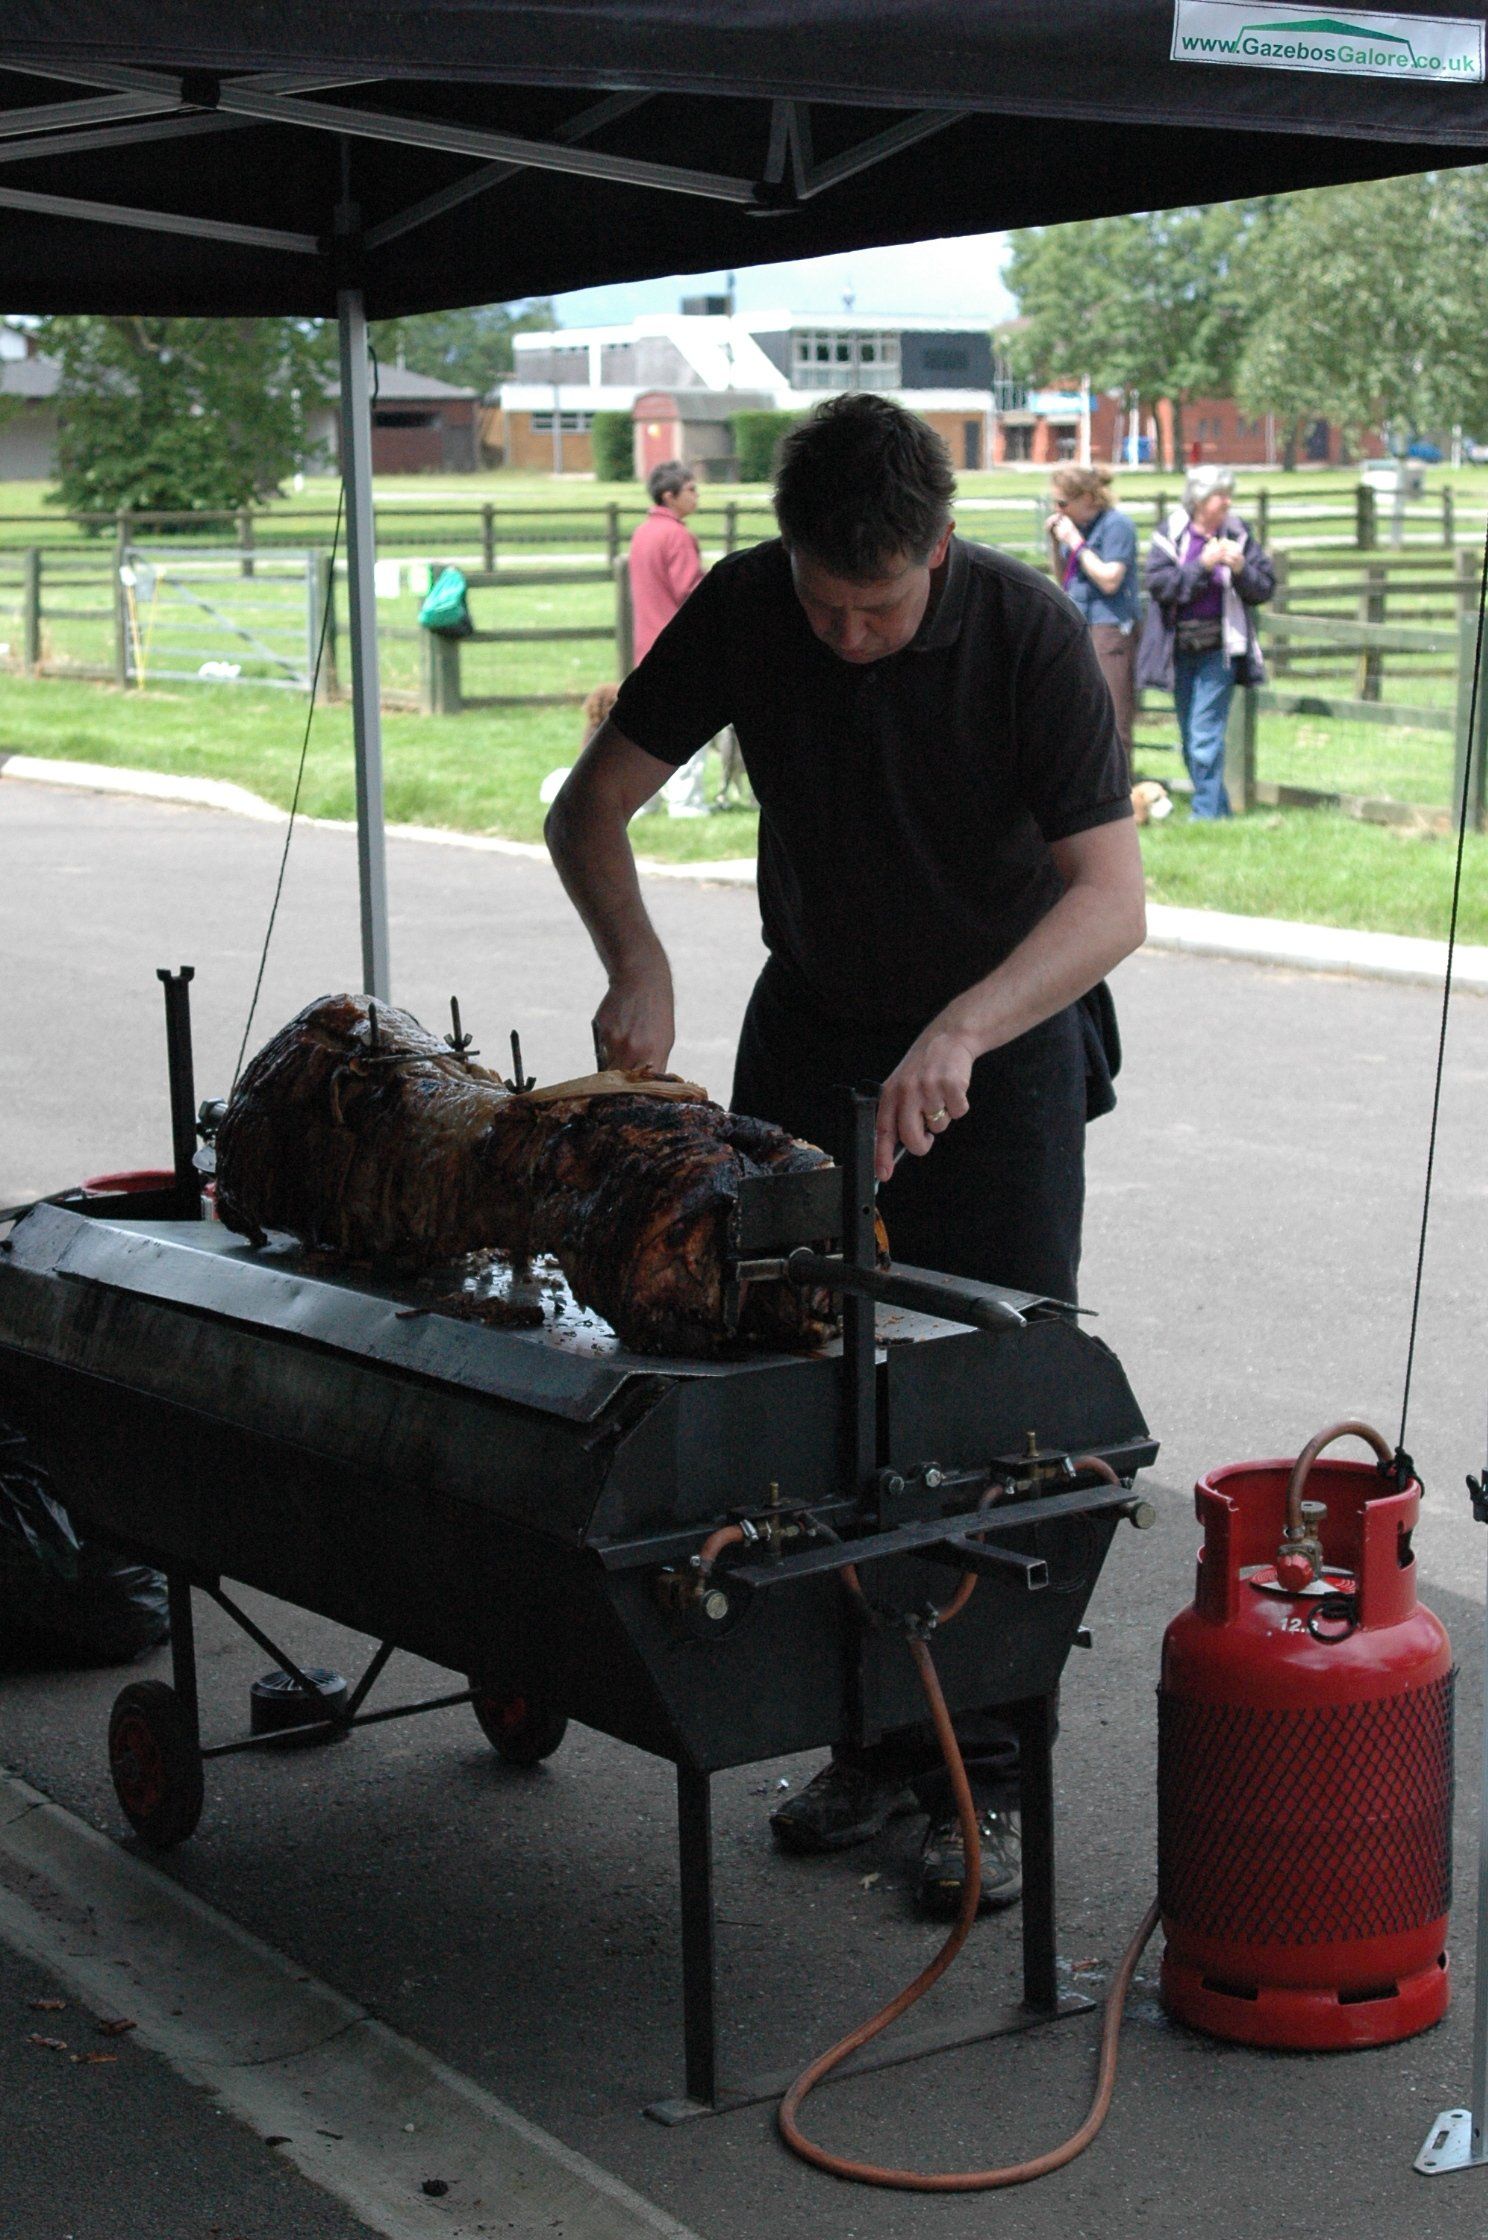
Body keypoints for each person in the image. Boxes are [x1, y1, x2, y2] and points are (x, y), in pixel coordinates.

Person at [545, 395, 1144, 1916]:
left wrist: (965, 1031)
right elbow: (589, 807)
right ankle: (869, 1748)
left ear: (938, 550)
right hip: (811, 1029)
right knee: (815, 1394)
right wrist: (639, 962)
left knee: (991, 1402)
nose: (851, 634)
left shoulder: (1027, 637)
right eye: (828, 604)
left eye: (878, 607)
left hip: (998, 1047)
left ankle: (987, 1783)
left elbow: (1110, 901)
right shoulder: (749, 607)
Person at [1137, 465, 1274, 821]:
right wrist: (1203, 565)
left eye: (1229, 495)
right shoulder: (1172, 534)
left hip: (1220, 652)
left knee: (1204, 735)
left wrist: (1241, 567)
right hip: (1179, 650)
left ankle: (1205, 815)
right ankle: (1219, 810)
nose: (1227, 502)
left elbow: (1264, 588)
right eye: (1219, 496)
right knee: (1191, 736)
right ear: (1199, 500)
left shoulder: (1238, 533)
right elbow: (1161, 586)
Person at [628, 461, 710, 816]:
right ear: (669, 495)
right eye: (690, 489)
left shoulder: (643, 532)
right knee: (689, 729)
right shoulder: (676, 535)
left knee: (649, 731)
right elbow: (690, 591)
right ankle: (686, 802)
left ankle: (643, 800)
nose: (696, 496)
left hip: (646, 645)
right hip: (679, 647)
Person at [1045, 464, 1139, 766]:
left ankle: (1122, 793)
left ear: (1087, 498)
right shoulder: (1078, 528)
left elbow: (1110, 579)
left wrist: (1076, 544)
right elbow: (1065, 581)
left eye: (1062, 503)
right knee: (1079, 716)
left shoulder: (1116, 526)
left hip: (1109, 627)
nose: (1058, 510)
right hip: (1079, 625)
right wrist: (1057, 543)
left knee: (1113, 715)